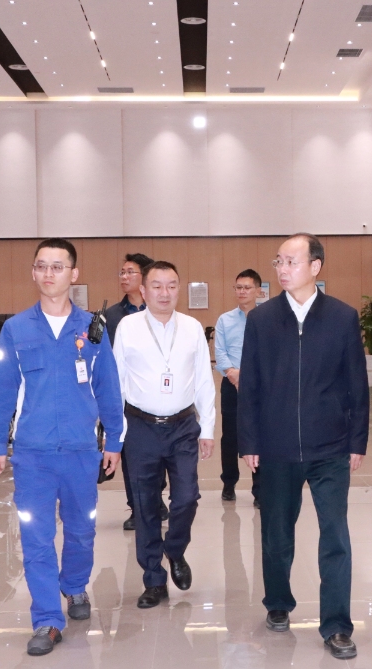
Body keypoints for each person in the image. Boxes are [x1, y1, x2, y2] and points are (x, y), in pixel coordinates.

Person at [0, 238, 124, 656]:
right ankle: (47, 619)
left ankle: (75, 585)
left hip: (82, 451)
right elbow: (2, 390)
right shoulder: (16, 329)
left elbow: (108, 385)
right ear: (33, 272)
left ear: (73, 274)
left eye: (58, 266)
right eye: (42, 266)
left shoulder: (93, 328)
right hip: (34, 455)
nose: (49, 274)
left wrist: (114, 439)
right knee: (36, 537)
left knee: (82, 530)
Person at [237, 233, 369, 661]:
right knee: (277, 534)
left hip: (330, 446)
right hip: (276, 447)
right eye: (278, 261)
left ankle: (337, 625)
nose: (282, 269)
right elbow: (250, 385)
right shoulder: (261, 320)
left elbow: (356, 383)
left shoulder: (342, 317)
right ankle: (278, 601)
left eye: (291, 261)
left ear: (315, 267)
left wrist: (357, 439)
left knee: (335, 536)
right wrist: (249, 441)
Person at [113, 260, 215, 609]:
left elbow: (203, 380)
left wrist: (208, 428)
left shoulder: (192, 327)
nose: (164, 293)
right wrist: (115, 433)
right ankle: (154, 580)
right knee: (145, 505)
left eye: (171, 285)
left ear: (179, 289)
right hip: (140, 427)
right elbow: (117, 381)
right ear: (143, 290)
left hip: (183, 426)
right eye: (156, 286)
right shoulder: (128, 327)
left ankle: (175, 550)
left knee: (186, 497)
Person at [104, 252, 168, 531]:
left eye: (130, 272)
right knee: (131, 454)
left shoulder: (160, 311)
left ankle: (155, 498)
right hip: (126, 397)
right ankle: (137, 506)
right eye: (122, 272)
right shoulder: (111, 316)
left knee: (160, 453)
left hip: (159, 396)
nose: (124, 276)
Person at [214, 269, 262, 506]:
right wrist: (233, 374)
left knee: (259, 434)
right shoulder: (225, 320)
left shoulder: (267, 319)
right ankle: (229, 482)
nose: (242, 292)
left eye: (247, 287)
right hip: (231, 383)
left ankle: (260, 488)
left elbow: (272, 353)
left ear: (258, 291)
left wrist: (249, 376)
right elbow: (220, 351)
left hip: (260, 385)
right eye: (238, 287)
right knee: (230, 436)